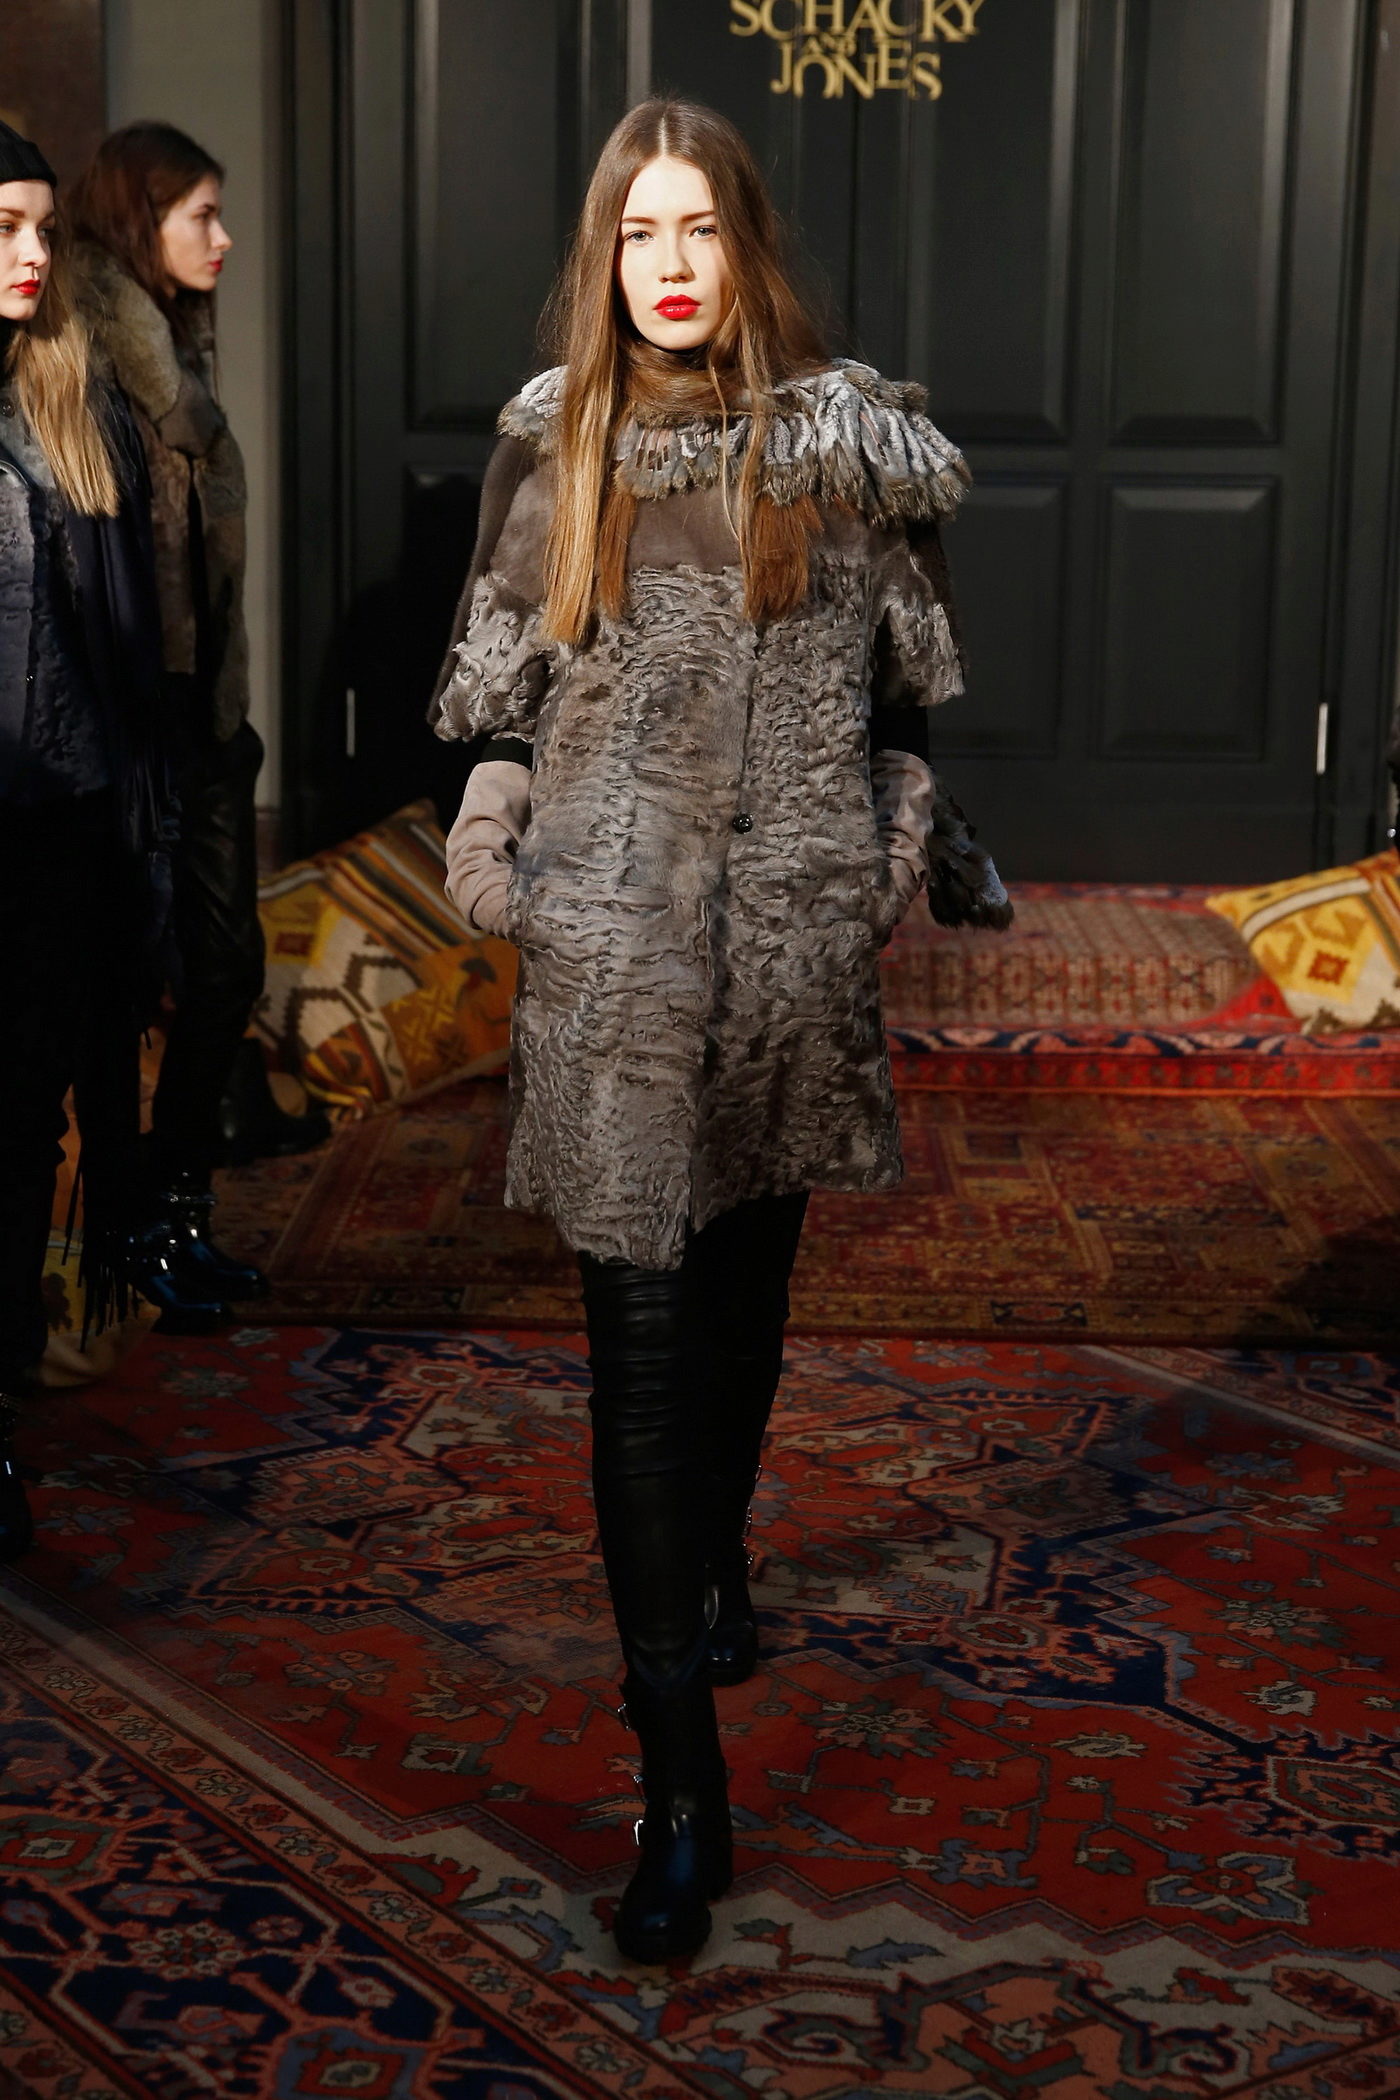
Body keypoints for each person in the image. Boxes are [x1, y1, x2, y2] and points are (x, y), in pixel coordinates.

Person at [433, 99, 1010, 1963]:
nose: (668, 266)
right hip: (611, 971)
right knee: (641, 1376)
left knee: (744, 1329)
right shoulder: (557, 449)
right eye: (636, 234)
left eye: (697, 229)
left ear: (744, 243)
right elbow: (496, 706)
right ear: (603, 258)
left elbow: (907, 707)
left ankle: (718, 1556)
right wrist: (503, 870)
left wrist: (879, 870)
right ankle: (681, 1784)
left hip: (784, 972)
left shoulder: (848, 449)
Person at [0, 118, 217, 1562]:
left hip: (58, 840)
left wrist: (140, 838)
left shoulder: (77, 411)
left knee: (25, 1133)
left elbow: (126, 661)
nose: (34, 255)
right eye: (3, 230)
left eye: (40, 228)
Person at [67, 123, 326, 1306]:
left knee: (222, 967)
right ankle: (133, 1235)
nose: (223, 239)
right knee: (123, 987)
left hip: (201, 715)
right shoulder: (93, 360)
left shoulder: (175, 347)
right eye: (200, 216)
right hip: (130, 722)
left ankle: (175, 1211)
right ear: (143, 217)